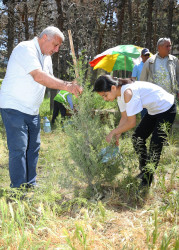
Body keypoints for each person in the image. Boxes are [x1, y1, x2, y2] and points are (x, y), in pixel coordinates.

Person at [0, 26, 82, 189]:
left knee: (33, 148)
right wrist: (68, 85)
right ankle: (18, 189)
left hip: (32, 110)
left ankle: (31, 184)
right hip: (14, 107)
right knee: (19, 148)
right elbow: (39, 77)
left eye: (59, 46)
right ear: (45, 37)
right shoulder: (25, 48)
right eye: (55, 45)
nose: (57, 50)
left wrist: (71, 95)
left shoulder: (46, 57)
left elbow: (50, 81)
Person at [93, 75, 176, 187]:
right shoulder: (119, 95)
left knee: (155, 144)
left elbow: (131, 122)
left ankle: (147, 180)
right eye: (102, 96)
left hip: (167, 107)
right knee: (137, 138)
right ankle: (144, 171)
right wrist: (117, 135)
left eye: (105, 95)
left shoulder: (127, 92)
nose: (105, 98)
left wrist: (113, 132)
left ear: (113, 87)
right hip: (154, 111)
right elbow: (124, 118)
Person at [132, 48, 150, 118]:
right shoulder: (137, 67)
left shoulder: (152, 66)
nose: (147, 56)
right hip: (142, 92)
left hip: (151, 91)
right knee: (144, 112)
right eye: (145, 55)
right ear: (141, 56)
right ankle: (144, 127)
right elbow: (133, 80)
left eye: (148, 55)